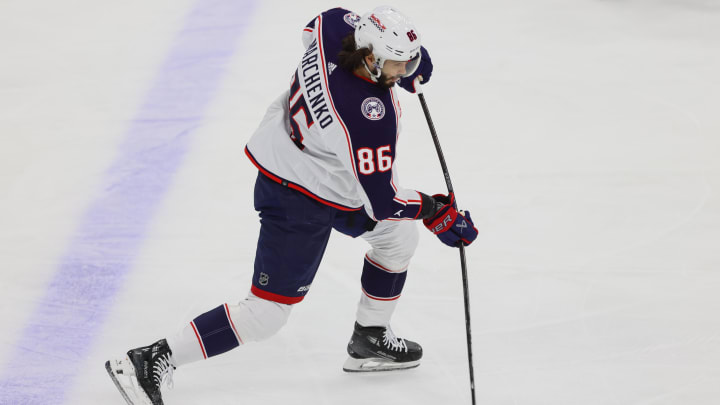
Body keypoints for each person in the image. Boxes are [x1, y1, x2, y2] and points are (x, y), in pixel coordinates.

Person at [106, 6, 477, 405]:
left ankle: (369, 338)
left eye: (407, 63)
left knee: (398, 238)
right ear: (369, 59)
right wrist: (436, 210)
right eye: (396, 65)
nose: (403, 72)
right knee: (265, 316)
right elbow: (384, 200)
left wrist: (406, 58)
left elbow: (312, 26)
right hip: (297, 194)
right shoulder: (367, 118)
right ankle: (149, 359)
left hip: (322, 168)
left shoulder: (336, 27)